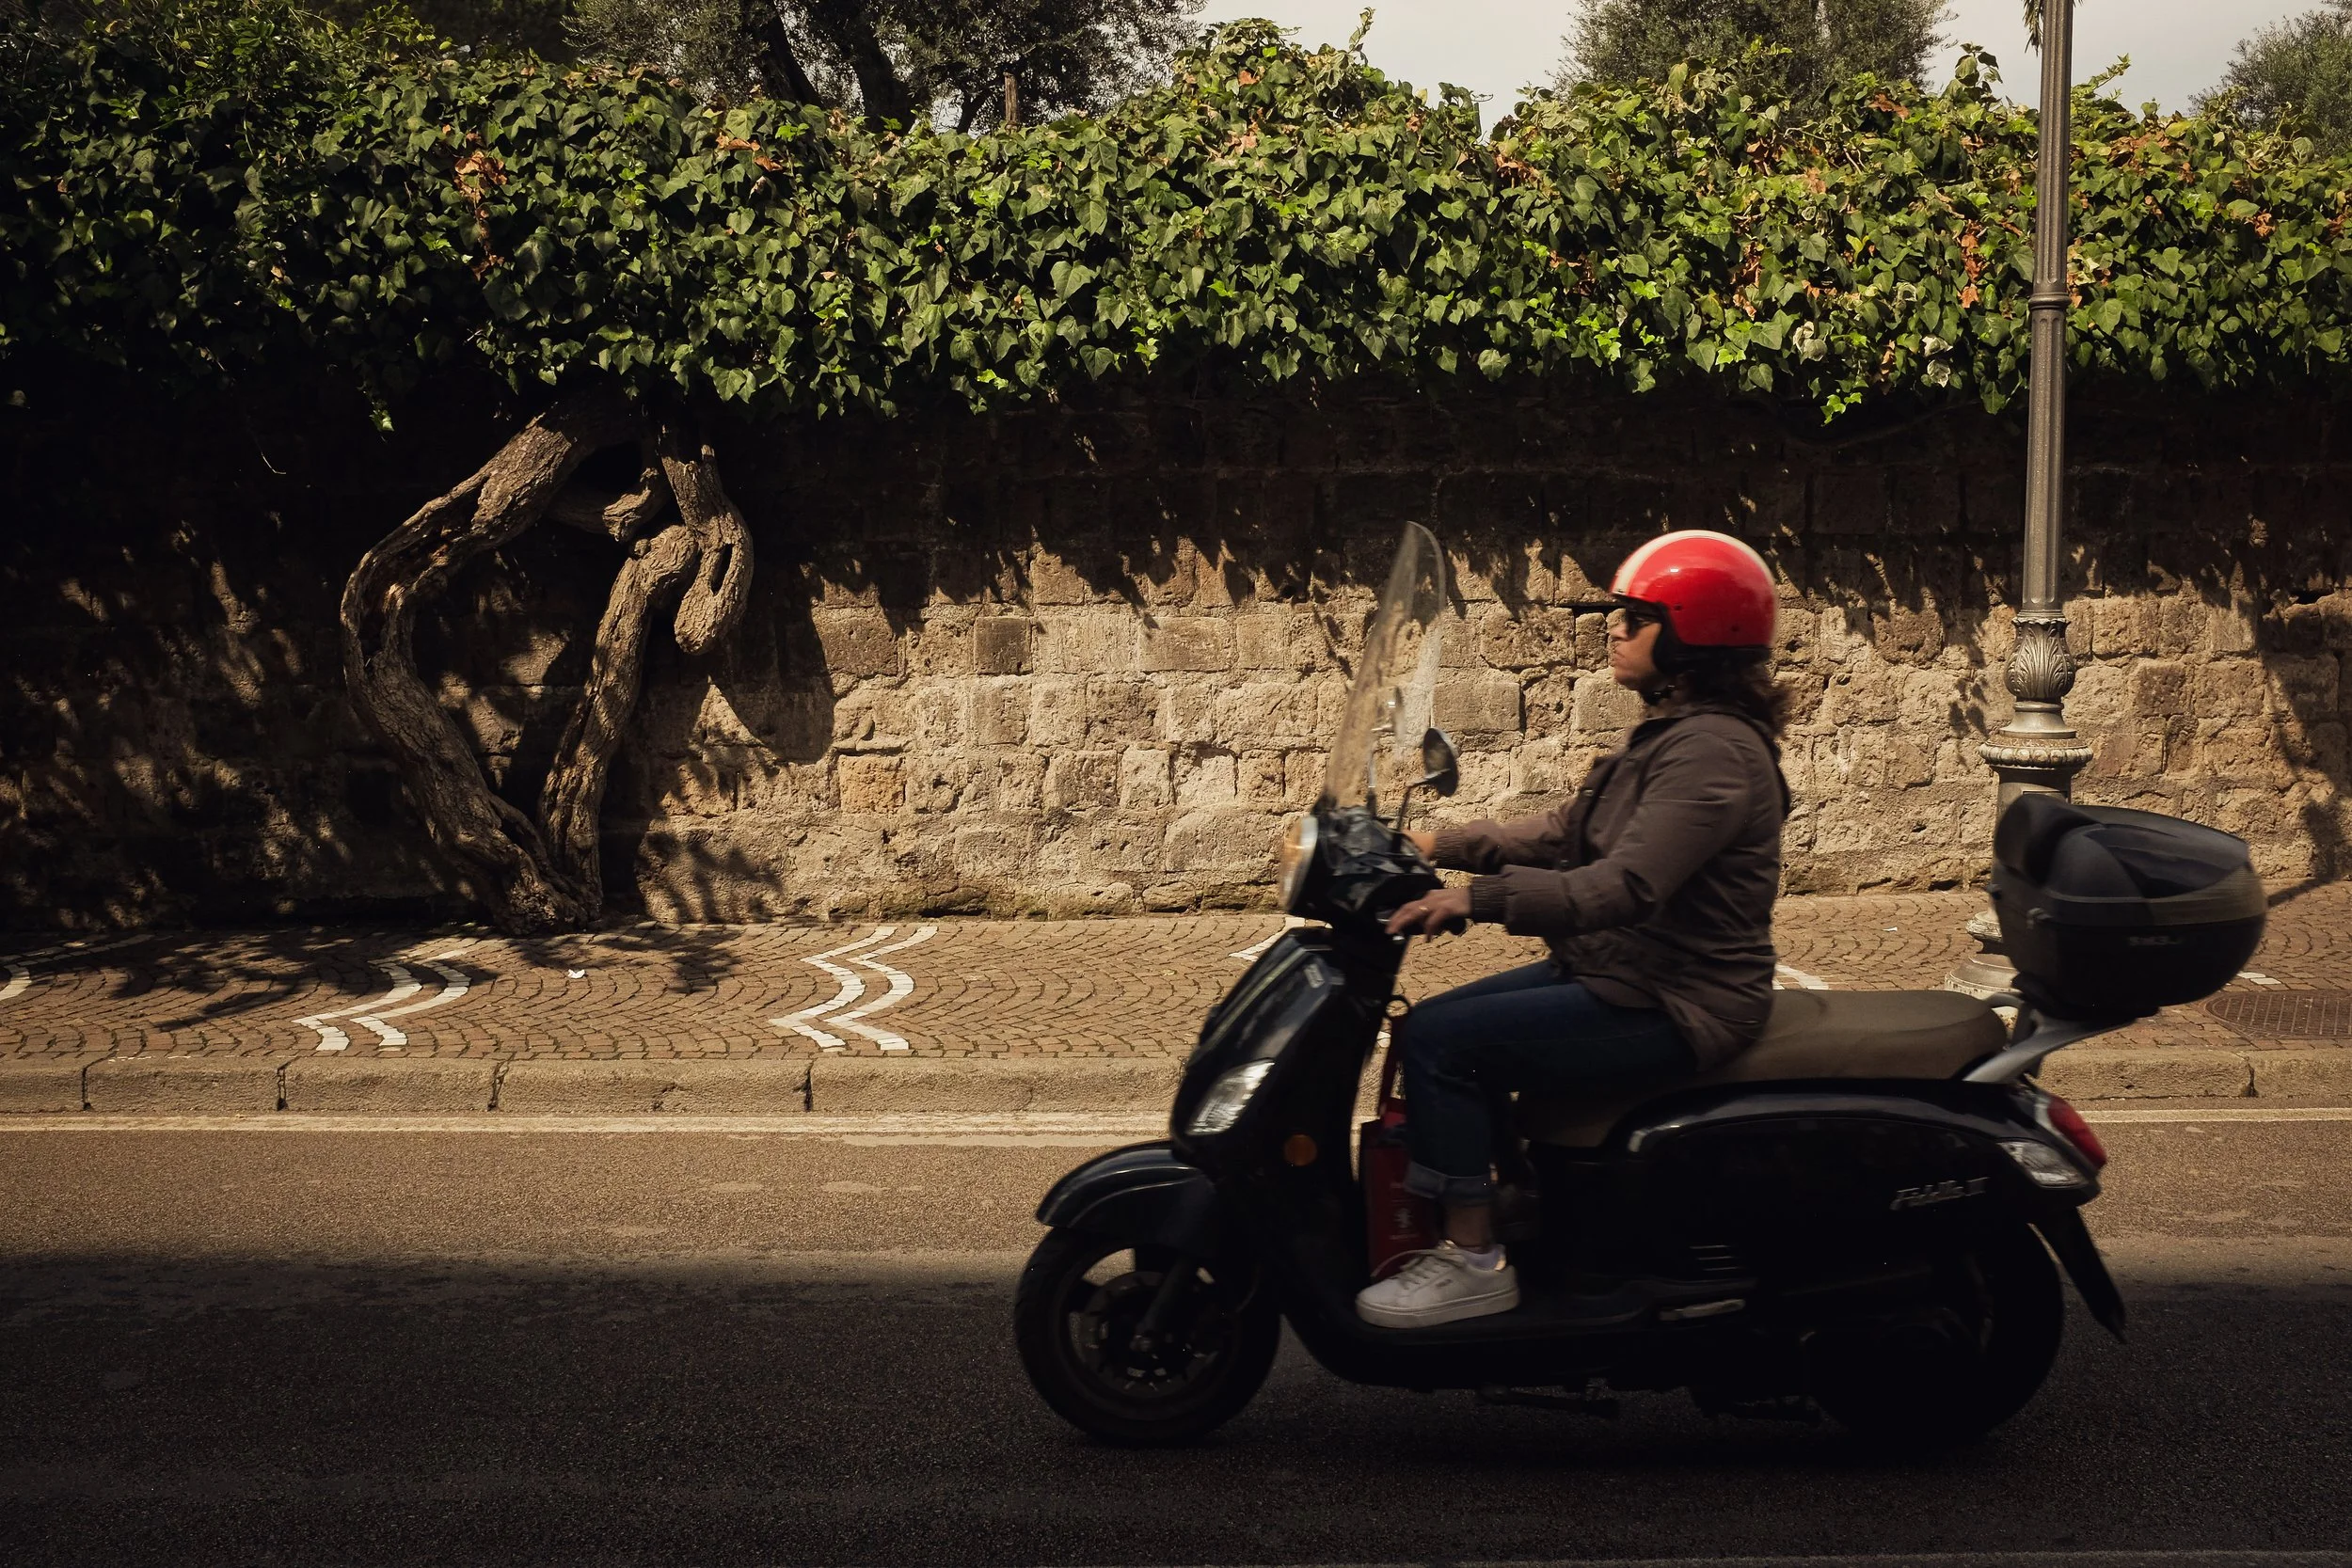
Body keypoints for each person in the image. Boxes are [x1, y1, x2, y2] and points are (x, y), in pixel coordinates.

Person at [1354, 530, 1792, 1329]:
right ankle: (1522, 1200)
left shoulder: (1714, 754)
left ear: (1693, 635)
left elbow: (1624, 884)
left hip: (1679, 999)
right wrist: (1435, 843)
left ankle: (1473, 1261)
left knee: (1443, 1043)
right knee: (1439, 1028)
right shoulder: (1677, 731)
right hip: (1622, 971)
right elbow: (1566, 832)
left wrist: (1476, 900)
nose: (1613, 630)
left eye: (1635, 618)